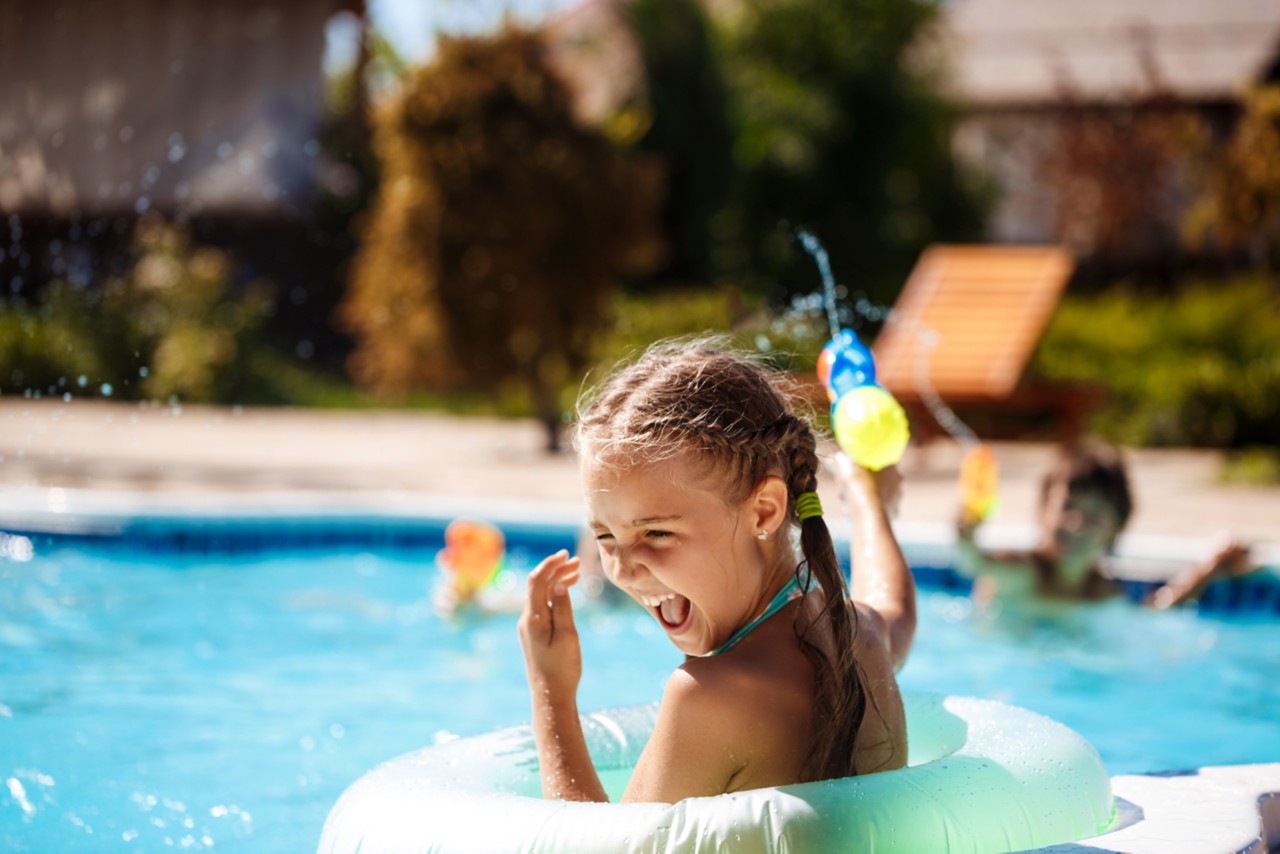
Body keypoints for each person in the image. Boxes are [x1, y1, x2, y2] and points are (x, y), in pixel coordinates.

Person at [518, 338, 917, 803]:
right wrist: (870, 499)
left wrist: (552, 694)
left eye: (657, 533)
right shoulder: (856, 635)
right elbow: (895, 610)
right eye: (605, 537)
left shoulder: (709, 697)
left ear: (765, 511)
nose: (622, 571)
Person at [954, 438, 1254, 608]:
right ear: (1043, 508)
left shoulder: (1102, 591)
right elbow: (971, 561)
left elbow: (1152, 612)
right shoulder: (1022, 571)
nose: (1076, 523)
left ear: (1116, 529)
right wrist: (968, 528)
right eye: (1067, 507)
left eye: (1094, 516)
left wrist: (1208, 569)